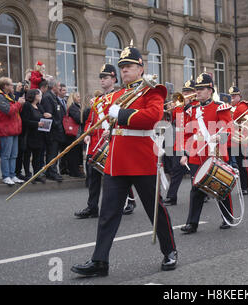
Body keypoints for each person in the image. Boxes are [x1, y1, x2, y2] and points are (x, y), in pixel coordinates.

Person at [71, 44, 177, 276]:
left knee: (154, 210)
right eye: (122, 67)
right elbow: (109, 119)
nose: (124, 70)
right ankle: (100, 261)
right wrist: (109, 124)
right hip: (117, 161)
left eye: (129, 66)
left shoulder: (153, 90)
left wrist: (121, 115)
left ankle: (170, 251)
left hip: (141, 159)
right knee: (108, 213)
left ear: (141, 68)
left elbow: (151, 118)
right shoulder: (117, 95)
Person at [74, 64, 136, 219]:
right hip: (95, 143)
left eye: (105, 77)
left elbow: (124, 118)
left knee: (119, 174)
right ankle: (92, 207)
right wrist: (87, 133)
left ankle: (130, 201)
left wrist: (113, 130)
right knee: (92, 177)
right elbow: (90, 120)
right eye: (101, 78)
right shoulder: (97, 100)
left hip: (112, 141)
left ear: (114, 79)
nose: (102, 80)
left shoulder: (120, 97)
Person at [179, 72, 235, 233]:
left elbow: (228, 127)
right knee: (195, 188)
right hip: (197, 155)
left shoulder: (220, 107)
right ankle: (192, 223)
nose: (198, 92)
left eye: (202, 89)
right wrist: (185, 153)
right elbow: (187, 134)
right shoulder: (192, 110)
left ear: (210, 90)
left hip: (215, 153)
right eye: (197, 89)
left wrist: (220, 136)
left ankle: (227, 216)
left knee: (220, 186)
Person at [162, 79, 196, 206]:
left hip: (192, 143)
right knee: (176, 170)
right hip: (180, 142)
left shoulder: (196, 107)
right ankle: (172, 197)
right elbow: (173, 120)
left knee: (195, 171)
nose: (185, 94)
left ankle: (201, 193)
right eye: (184, 91)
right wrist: (170, 110)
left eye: (188, 92)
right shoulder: (180, 107)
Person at [0, 77, 26, 185]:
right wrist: (19, 103)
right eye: (11, 85)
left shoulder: (9, 95)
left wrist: (20, 104)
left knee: (14, 155)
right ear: (5, 86)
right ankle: (6, 176)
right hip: (6, 129)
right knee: (6, 155)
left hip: (14, 129)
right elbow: (9, 111)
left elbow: (16, 111)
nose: (13, 86)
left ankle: (12, 175)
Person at [41, 79, 65, 182]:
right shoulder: (47, 97)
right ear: (53, 87)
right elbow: (49, 115)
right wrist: (57, 124)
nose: (59, 88)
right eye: (58, 86)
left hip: (57, 130)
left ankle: (52, 171)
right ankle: (51, 172)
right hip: (52, 131)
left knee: (54, 152)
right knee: (52, 152)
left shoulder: (53, 97)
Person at [229, 85, 248, 195]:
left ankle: (245, 186)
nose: (232, 98)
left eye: (234, 96)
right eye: (231, 96)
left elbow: (237, 115)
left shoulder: (243, 105)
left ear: (239, 96)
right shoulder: (230, 107)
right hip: (233, 139)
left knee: (242, 164)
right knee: (234, 164)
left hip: (241, 139)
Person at [21, 89, 46, 183]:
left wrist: (46, 116)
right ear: (34, 95)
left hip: (39, 135)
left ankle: (36, 174)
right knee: (27, 156)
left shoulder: (39, 106)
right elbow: (25, 120)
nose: (40, 96)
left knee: (37, 156)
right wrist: (37, 124)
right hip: (29, 135)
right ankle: (28, 174)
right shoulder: (27, 105)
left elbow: (42, 118)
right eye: (39, 95)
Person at [66, 92, 85, 178]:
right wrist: (84, 114)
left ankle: (78, 171)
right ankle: (74, 171)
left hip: (78, 133)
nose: (79, 98)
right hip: (74, 134)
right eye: (77, 96)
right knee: (74, 154)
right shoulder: (73, 107)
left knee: (78, 153)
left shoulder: (78, 106)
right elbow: (78, 118)